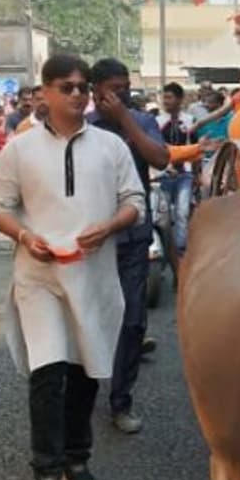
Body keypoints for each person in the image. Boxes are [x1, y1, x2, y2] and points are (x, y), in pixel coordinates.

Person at [0, 54, 144, 480]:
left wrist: (110, 225)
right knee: (48, 371)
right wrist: (24, 236)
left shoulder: (111, 147)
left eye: (82, 87)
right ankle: (48, 468)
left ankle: (77, 457)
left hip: (93, 277)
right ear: (46, 92)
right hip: (39, 278)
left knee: (84, 370)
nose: (78, 94)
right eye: (67, 87)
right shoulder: (20, 150)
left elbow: (136, 202)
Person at [86, 59, 169, 435]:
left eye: (125, 87)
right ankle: (83, 399)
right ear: (95, 92)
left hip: (134, 238)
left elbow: (160, 159)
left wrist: (125, 119)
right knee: (90, 321)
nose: (121, 94)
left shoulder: (143, 121)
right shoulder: (84, 127)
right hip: (92, 240)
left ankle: (121, 401)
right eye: (113, 89)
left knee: (133, 322)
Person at [156, 82, 196, 257]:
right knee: (163, 216)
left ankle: (180, 251)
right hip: (162, 173)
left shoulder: (189, 121)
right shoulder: (156, 121)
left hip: (184, 173)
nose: (166, 101)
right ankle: (165, 250)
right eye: (164, 97)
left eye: (169, 97)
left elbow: (195, 147)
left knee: (182, 212)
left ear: (180, 99)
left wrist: (196, 172)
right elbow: (156, 147)